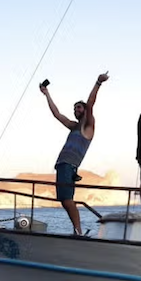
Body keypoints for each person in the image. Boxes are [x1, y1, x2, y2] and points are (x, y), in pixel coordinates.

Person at [40, 72, 109, 235]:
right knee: (64, 200)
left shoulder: (88, 126)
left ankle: (78, 231)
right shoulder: (73, 126)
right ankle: (77, 230)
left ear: (84, 110)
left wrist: (98, 82)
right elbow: (57, 114)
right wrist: (46, 93)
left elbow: (90, 104)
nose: (75, 110)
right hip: (62, 165)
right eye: (74, 108)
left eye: (78, 107)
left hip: (69, 165)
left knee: (67, 200)